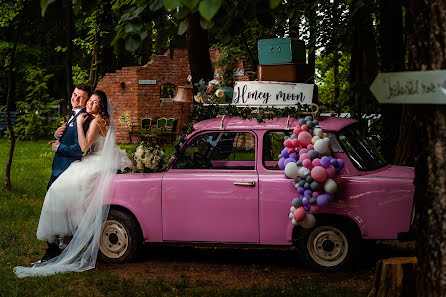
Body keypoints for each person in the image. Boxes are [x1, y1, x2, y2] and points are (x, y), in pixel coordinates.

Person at [14, 90, 132, 278]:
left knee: (60, 191)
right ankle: (63, 239)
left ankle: (61, 242)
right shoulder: (99, 119)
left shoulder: (93, 121)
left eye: (94, 102)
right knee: (69, 194)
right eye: (90, 101)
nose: (90, 104)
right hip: (102, 158)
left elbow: (84, 148)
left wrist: (77, 124)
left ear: (101, 106)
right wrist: (59, 133)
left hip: (96, 161)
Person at [38, 83, 92, 263]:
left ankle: (54, 249)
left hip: (67, 169)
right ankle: (59, 247)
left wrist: (59, 147)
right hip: (59, 167)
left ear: (86, 100)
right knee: (58, 211)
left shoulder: (83, 119)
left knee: (54, 210)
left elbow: (78, 150)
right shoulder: (72, 115)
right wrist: (56, 136)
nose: (76, 99)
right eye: (75, 95)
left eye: (81, 97)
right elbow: (66, 138)